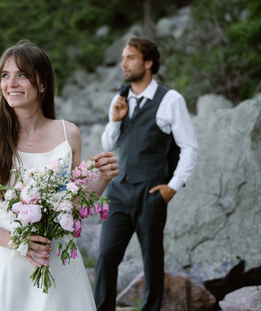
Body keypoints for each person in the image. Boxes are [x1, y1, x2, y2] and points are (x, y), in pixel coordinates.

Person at [0, 40, 119, 311]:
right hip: (8, 264)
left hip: (60, 265)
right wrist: (18, 242)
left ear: (42, 84)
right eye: (5, 75)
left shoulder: (69, 134)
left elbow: (71, 208)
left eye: (22, 75)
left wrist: (102, 179)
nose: (12, 83)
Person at [94, 37, 199, 311]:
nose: (123, 64)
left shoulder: (171, 100)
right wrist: (115, 120)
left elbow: (190, 148)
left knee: (152, 259)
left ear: (148, 62)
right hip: (119, 190)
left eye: (130, 58)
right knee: (106, 256)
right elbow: (109, 144)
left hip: (151, 192)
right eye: (122, 58)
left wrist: (172, 187)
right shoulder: (120, 98)